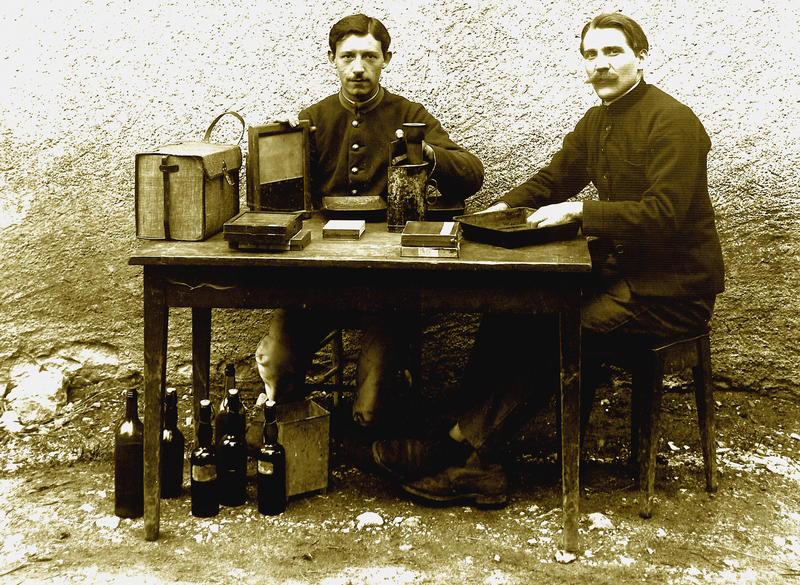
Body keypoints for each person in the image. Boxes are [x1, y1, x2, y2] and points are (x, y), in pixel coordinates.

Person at [373, 13, 725, 506]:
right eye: (590, 54)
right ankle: (460, 443)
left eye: (613, 52)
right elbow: (554, 179)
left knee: (553, 331)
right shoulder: (598, 121)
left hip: (672, 292)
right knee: (508, 312)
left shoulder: (674, 122)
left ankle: (473, 460)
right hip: (621, 278)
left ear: (641, 58)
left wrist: (580, 211)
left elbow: (664, 215)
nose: (600, 64)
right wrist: (501, 208)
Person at [254, 14, 484, 431]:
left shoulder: (410, 114)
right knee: (276, 359)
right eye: (348, 57)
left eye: (369, 56)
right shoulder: (313, 118)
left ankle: (370, 440)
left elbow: (471, 174)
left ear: (386, 59)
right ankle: (292, 434)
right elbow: (279, 199)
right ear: (332, 59)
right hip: (318, 277)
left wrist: (428, 154)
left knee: (373, 397)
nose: (358, 67)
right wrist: (282, 144)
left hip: (388, 281)